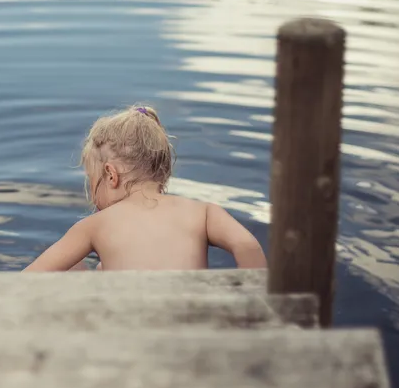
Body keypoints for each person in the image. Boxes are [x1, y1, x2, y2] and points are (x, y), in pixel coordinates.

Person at [24, 104, 267, 271]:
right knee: (102, 268)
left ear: (111, 175)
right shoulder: (203, 212)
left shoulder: (94, 225)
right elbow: (247, 245)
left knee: (74, 269)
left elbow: (31, 278)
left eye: (92, 180)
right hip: (193, 320)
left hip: (131, 326)